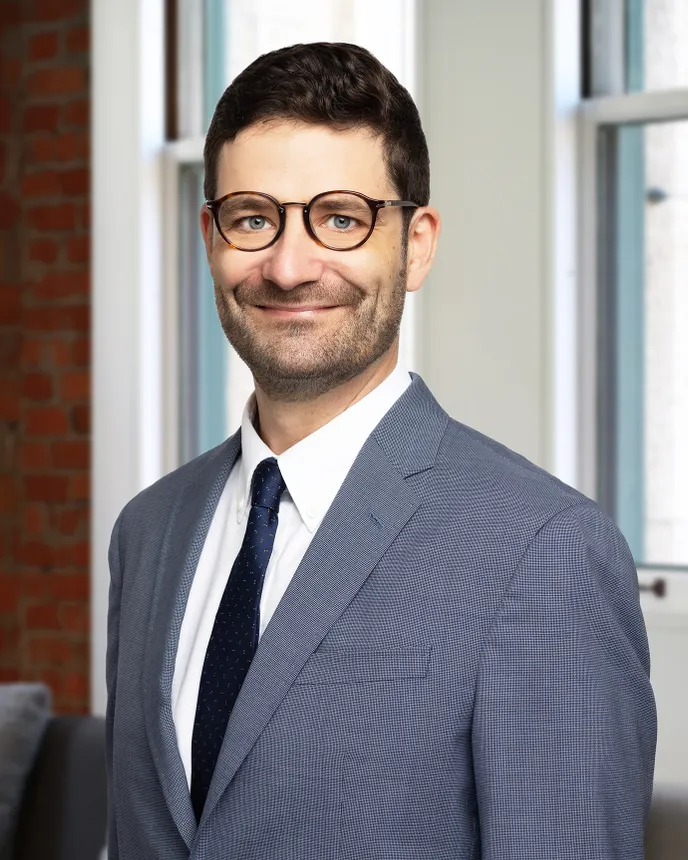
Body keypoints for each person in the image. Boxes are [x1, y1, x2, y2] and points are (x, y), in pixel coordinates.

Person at [105, 42, 656, 860]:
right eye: (254, 217)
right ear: (210, 236)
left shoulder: (543, 551)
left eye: (341, 218)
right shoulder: (149, 531)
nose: (290, 267)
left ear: (418, 243)